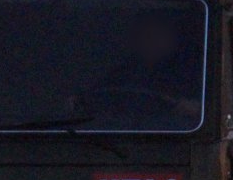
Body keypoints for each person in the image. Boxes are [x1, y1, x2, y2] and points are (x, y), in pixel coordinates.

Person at [74, 10, 202, 129]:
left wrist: (195, 108)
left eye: (160, 36)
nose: (153, 43)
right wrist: (77, 103)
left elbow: (208, 111)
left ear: (174, 40)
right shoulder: (120, 75)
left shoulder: (193, 73)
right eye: (147, 36)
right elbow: (99, 99)